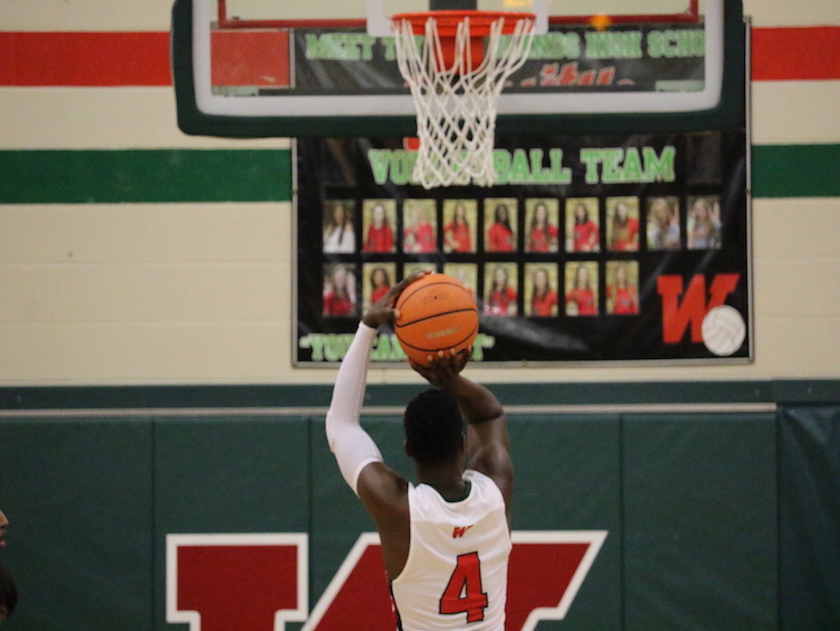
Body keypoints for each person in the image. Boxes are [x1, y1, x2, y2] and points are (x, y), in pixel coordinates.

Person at [325, 271, 513, 631]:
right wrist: (451, 381)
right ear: (463, 444)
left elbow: (341, 423)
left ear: (408, 449)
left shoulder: (398, 508)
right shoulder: (496, 491)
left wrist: (367, 326)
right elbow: (490, 414)